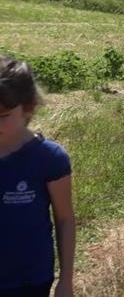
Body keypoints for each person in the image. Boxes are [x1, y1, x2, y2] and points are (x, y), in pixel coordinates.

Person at [0, 56, 75, 297]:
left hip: (30, 281)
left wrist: (66, 281)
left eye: (2, 116)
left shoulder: (49, 158)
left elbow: (65, 219)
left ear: (28, 108)